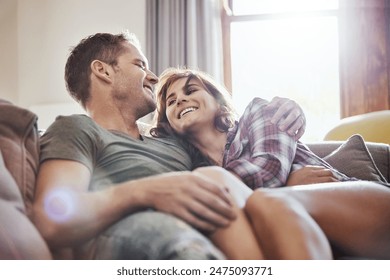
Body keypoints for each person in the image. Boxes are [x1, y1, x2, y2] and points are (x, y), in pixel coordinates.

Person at [31, 32, 309, 260]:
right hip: (149, 235)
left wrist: (288, 144)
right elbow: (52, 218)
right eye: (140, 65)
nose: (153, 77)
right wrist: (145, 191)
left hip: (214, 226)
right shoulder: (76, 129)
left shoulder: (175, 143)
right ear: (103, 70)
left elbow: (231, 164)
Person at [151, 67, 390, 259]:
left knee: (266, 200)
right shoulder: (195, 170)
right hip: (311, 238)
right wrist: (291, 183)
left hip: (364, 207)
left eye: (190, 90)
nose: (181, 100)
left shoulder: (260, 112)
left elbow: (270, 170)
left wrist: (283, 187)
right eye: (171, 102)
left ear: (218, 103)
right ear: (169, 125)